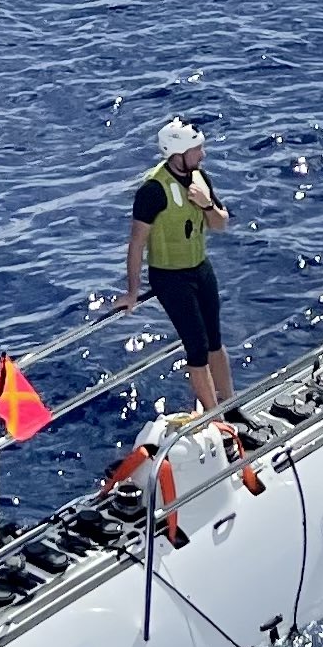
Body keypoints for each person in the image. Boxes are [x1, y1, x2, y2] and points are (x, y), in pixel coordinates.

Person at [123, 115, 234, 419]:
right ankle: (217, 419)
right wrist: (132, 292)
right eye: (198, 149)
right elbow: (136, 244)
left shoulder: (201, 180)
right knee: (196, 347)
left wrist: (206, 203)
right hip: (170, 278)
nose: (203, 154)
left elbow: (221, 224)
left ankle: (232, 406)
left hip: (200, 269)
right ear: (179, 154)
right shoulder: (153, 191)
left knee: (215, 340)